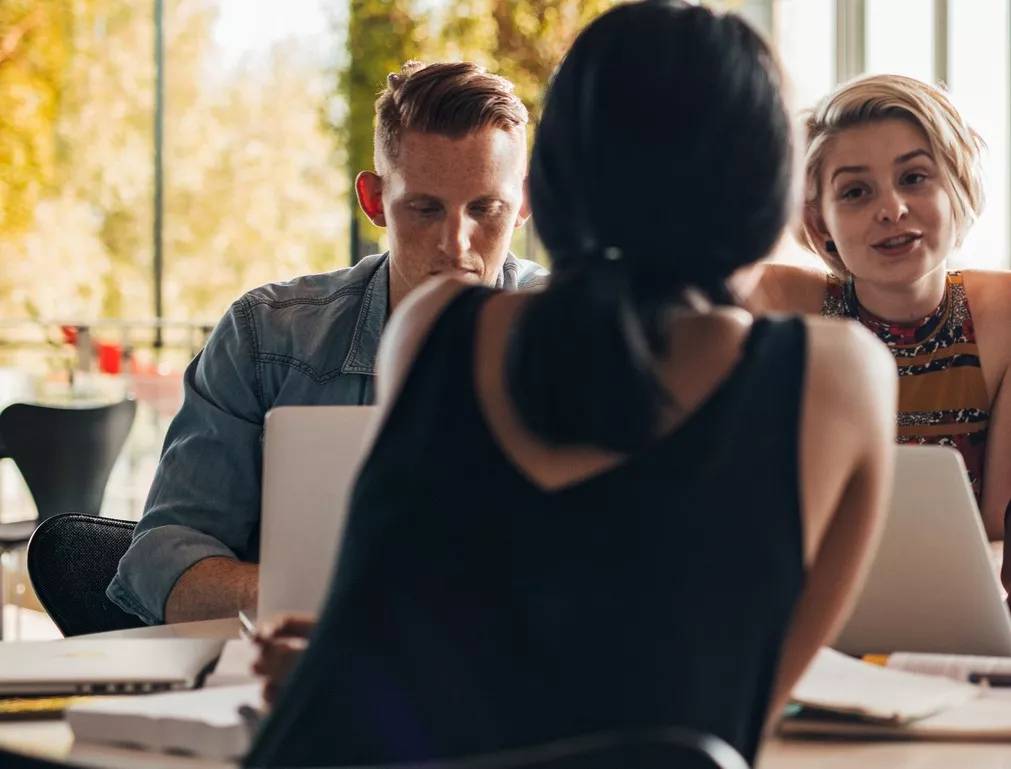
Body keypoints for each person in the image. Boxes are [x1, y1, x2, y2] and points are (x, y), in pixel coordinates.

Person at [243, 2, 896, 766]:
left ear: (551, 179)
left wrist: (373, 660)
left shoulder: (431, 327)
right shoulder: (838, 377)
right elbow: (723, 716)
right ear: (771, 186)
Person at [107, 61, 546, 625]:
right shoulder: (265, 338)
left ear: (524, 202)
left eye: (486, 209)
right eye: (425, 208)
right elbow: (162, 564)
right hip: (311, 663)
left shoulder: (581, 338)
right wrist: (324, 599)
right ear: (374, 200)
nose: (455, 245)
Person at [749, 74, 1011, 579]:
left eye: (914, 177)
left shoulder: (1002, 318)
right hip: (806, 601)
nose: (891, 210)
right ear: (820, 223)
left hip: (957, 601)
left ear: (957, 186)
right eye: (855, 192)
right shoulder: (783, 303)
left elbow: (1000, 534)